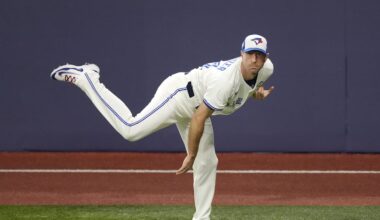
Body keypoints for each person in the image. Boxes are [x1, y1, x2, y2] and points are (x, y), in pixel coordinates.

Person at [50, 34, 274, 220]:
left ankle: (202, 218)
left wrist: (256, 93)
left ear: (265, 58)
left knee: (208, 162)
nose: (255, 59)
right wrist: (191, 153)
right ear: (241, 54)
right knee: (131, 129)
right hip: (178, 95)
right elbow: (199, 118)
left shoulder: (265, 70)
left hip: (197, 104)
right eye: (250, 54)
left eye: (260, 55)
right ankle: (87, 77)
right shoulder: (225, 81)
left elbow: (247, 85)